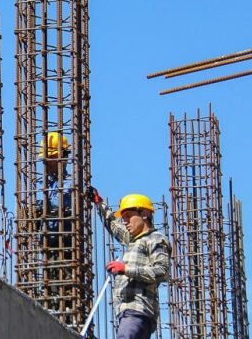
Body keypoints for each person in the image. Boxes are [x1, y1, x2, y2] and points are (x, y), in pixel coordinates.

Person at [88, 188, 171, 339]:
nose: (125, 221)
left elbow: (162, 271)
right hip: (126, 311)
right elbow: (114, 225)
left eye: (128, 216)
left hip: (139, 309)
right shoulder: (133, 239)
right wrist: (99, 203)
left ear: (144, 214)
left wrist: (126, 268)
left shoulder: (155, 239)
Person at [36, 132, 72, 252]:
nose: (46, 163)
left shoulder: (71, 184)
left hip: (66, 247)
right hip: (47, 246)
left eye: (50, 158)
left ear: (62, 157)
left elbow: (61, 202)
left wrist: (41, 205)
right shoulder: (44, 183)